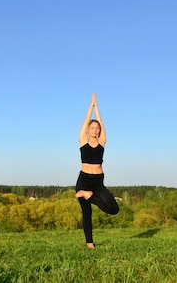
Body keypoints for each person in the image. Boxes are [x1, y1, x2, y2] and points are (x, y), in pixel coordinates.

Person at [75, 93, 119, 248]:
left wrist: (97, 107)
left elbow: (100, 121)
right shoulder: (83, 140)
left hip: (98, 182)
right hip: (84, 180)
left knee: (114, 209)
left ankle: (89, 196)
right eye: (92, 127)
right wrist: (90, 105)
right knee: (87, 213)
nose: (95, 129)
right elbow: (86, 120)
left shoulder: (102, 142)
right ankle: (89, 243)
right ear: (88, 130)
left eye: (97, 128)